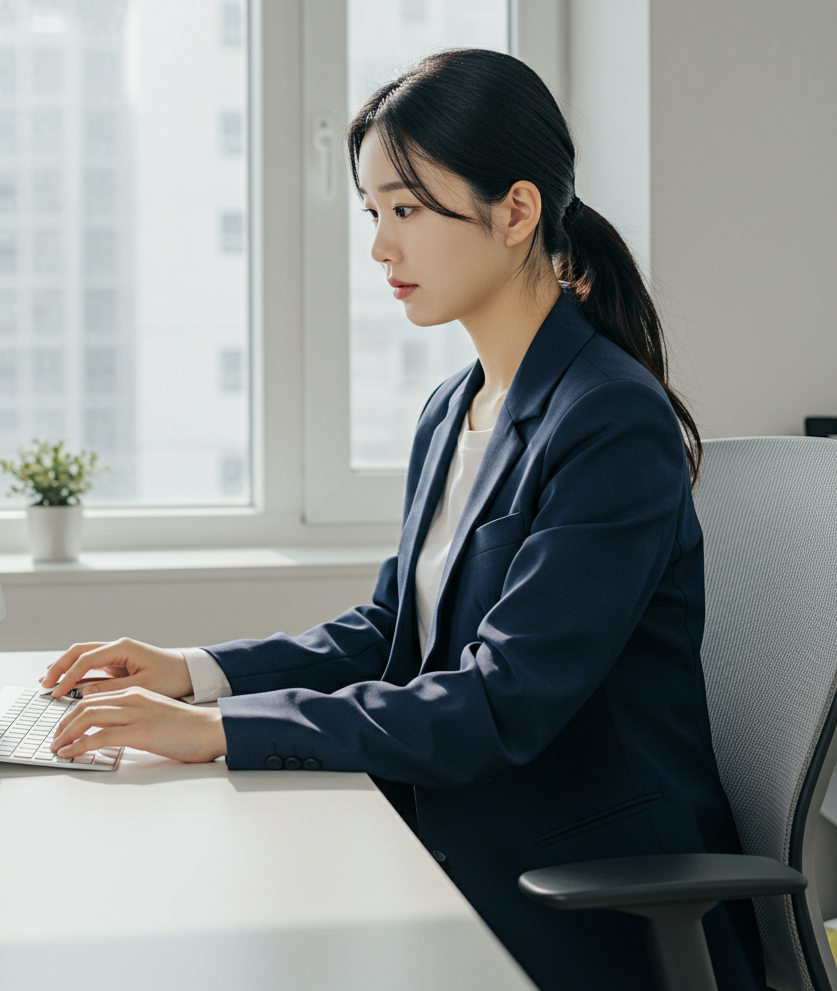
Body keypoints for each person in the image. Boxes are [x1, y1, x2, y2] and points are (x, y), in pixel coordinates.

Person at [40, 50, 765, 990]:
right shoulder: (453, 408)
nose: (381, 248)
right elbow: (393, 633)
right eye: (373, 213)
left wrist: (219, 731)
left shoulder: (609, 421)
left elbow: (500, 700)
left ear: (517, 211)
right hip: (451, 842)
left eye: (408, 210)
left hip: (588, 900)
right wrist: (196, 674)